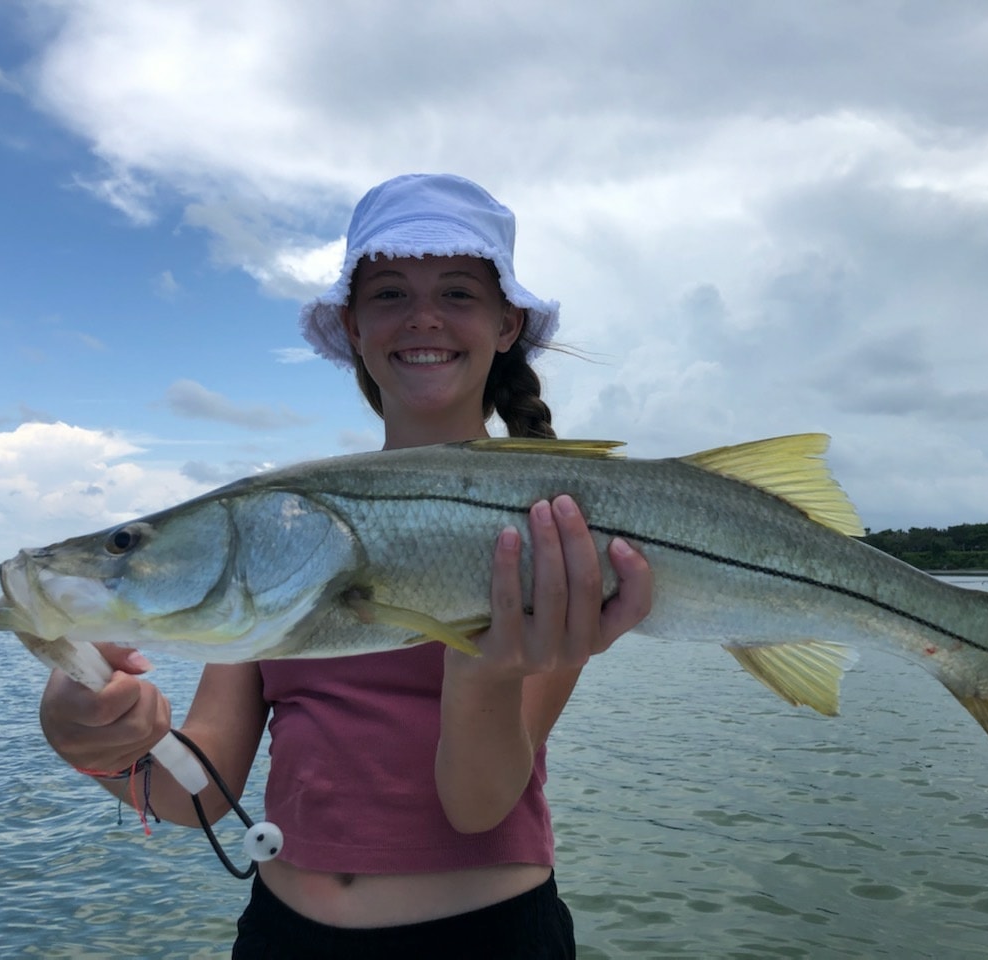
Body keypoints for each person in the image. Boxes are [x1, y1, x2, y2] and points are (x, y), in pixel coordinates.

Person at [38, 173, 655, 957]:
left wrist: (484, 675)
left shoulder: (554, 526)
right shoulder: (276, 530)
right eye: (390, 293)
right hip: (278, 934)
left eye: (458, 292)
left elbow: (480, 806)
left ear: (507, 324)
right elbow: (200, 792)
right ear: (353, 325)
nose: (424, 317)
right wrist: (99, 745)